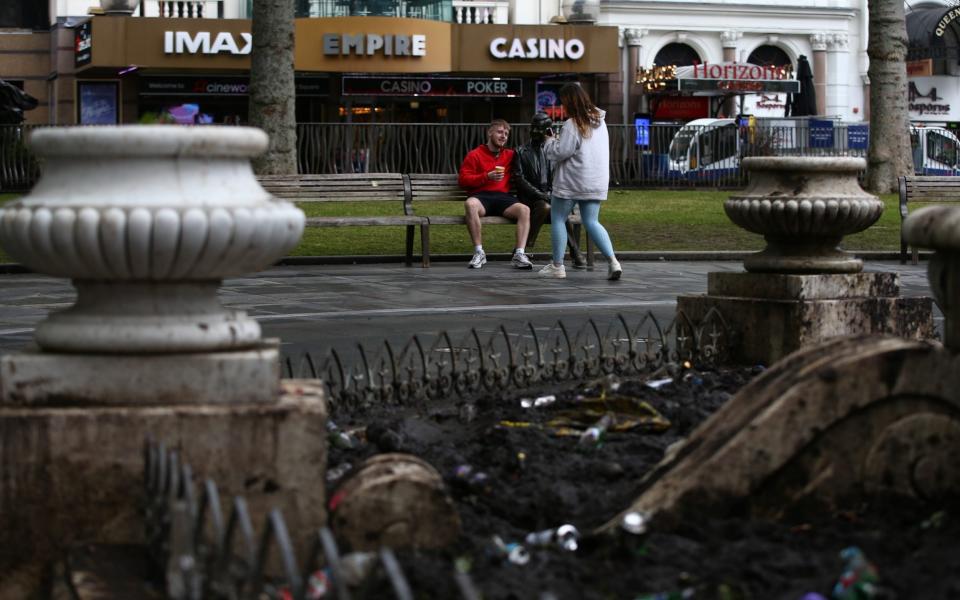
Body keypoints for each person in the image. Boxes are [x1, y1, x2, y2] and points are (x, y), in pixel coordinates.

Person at [539, 83, 622, 281]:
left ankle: (557, 266)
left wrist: (549, 142)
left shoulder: (572, 124)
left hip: (572, 181)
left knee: (558, 218)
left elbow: (561, 152)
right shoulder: (600, 123)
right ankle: (613, 262)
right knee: (592, 221)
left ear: (569, 102)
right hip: (595, 181)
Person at [513, 112, 587, 269]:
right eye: (536, 127)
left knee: (558, 209)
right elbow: (519, 179)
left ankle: (574, 252)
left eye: (543, 128)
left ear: (549, 131)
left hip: (552, 197)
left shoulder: (555, 151)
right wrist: (541, 195)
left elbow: (562, 175)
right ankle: (525, 247)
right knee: (547, 206)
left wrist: (555, 195)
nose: (537, 131)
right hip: (530, 199)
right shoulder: (520, 151)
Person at [458, 119, 533, 270]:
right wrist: (487, 176)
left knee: (524, 210)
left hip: (502, 198)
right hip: (481, 197)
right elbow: (463, 180)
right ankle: (479, 252)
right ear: (490, 133)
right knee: (470, 204)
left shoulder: (510, 155)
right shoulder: (475, 155)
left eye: (506, 133)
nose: (503, 136)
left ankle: (519, 254)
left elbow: (528, 155)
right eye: (500, 132)